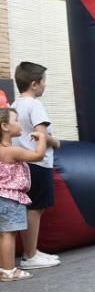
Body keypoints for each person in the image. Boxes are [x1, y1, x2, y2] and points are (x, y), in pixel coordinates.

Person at [12, 62, 61, 269]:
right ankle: (30, 255)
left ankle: (31, 251)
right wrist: (56, 142)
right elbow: (41, 135)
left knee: (30, 207)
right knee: (36, 208)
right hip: (37, 162)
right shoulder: (35, 105)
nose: (45, 86)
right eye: (44, 82)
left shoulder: (14, 106)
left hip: (21, 161)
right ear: (34, 84)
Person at [0, 108, 46, 281]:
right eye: (16, 120)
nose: (19, 124)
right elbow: (38, 155)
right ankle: (10, 270)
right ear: (4, 126)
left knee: (2, 234)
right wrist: (42, 138)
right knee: (8, 234)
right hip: (10, 198)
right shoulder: (12, 151)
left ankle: (3, 268)